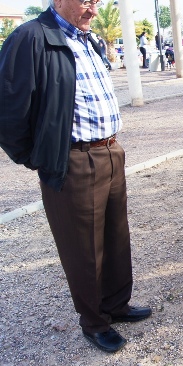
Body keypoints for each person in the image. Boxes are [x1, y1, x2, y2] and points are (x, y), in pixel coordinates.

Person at [0, 0, 151, 353]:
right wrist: (38, 156)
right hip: (74, 161)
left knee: (116, 236)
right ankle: (95, 322)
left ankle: (116, 305)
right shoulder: (31, 37)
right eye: (86, 1)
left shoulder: (88, 38)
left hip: (111, 151)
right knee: (83, 249)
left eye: (97, 2)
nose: (93, 9)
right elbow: (8, 108)